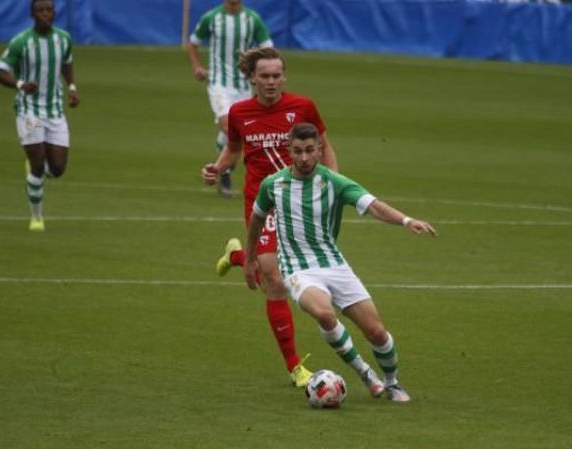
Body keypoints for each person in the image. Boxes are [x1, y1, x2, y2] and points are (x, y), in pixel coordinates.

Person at [244, 123, 438, 402]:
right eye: (297, 151)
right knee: (324, 314)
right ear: (289, 151)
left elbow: (372, 205)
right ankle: (365, 373)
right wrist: (250, 258)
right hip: (298, 268)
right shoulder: (273, 185)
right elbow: (257, 219)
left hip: (335, 265)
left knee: (377, 332)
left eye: (310, 150)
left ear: (320, 150)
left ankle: (392, 382)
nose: (304, 158)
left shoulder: (334, 182)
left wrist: (406, 220)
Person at [201, 47, 339, 387]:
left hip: (301, 201)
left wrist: (335, 184)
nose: (271, 82)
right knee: (275, 280)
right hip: (263, 203)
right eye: (265, 76)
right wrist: (217, 169)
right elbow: (234, 150)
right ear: (252, 78)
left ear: (284, 77)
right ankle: (295, 367)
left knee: (290, 270)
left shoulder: (302, 106)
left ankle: (237, 256)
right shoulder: (239, 112)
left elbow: (324, 145)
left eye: (277, 75)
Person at [0, 0, 79, 232]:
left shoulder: (63, 38)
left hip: (55, 111)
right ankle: (36, 217)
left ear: (54, 13)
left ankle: (34, 168)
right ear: (32, 14)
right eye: (40, 10)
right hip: (28, 110)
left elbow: (67, 63)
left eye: (48, 10)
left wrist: (71, 87)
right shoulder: (21, 42)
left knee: (58, 168)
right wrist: (19, 83)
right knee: (39, 166)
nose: (45, 14)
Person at [187, 0, 273, 197]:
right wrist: (197, 67)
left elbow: (269, 50)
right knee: (228, 127)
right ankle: (224, 169)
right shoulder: (212, 18)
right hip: (219, 84)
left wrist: (261, 74)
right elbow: (193, 43)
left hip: (244, 86)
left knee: (237, 132)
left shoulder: (253, 19)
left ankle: (225, 167)